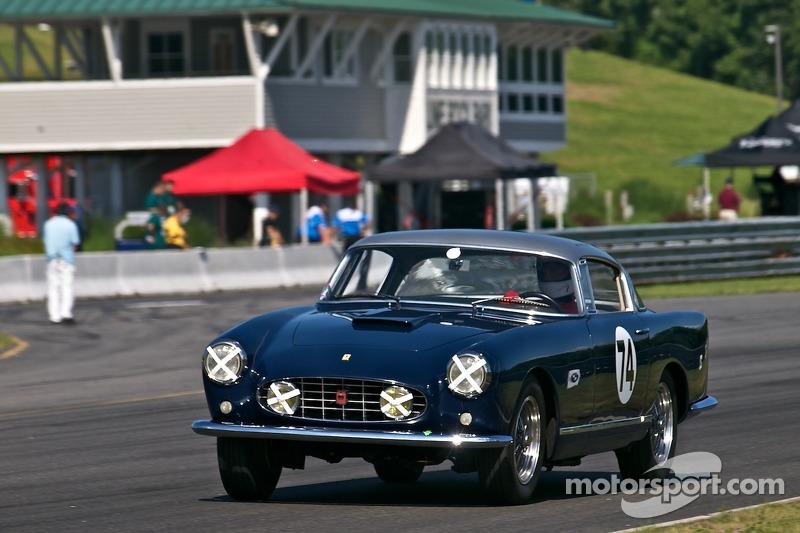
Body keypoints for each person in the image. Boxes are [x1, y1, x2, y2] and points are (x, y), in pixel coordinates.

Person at [43, 202, 81, 324]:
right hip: (66, 259)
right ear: (67, 213)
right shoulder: (70, 225)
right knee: (67, 286)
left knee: (53, 288)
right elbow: (75, 242)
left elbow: (45, 241)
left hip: (52, 259)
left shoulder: (48, 224)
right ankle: (66, 314)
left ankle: (54, 316)